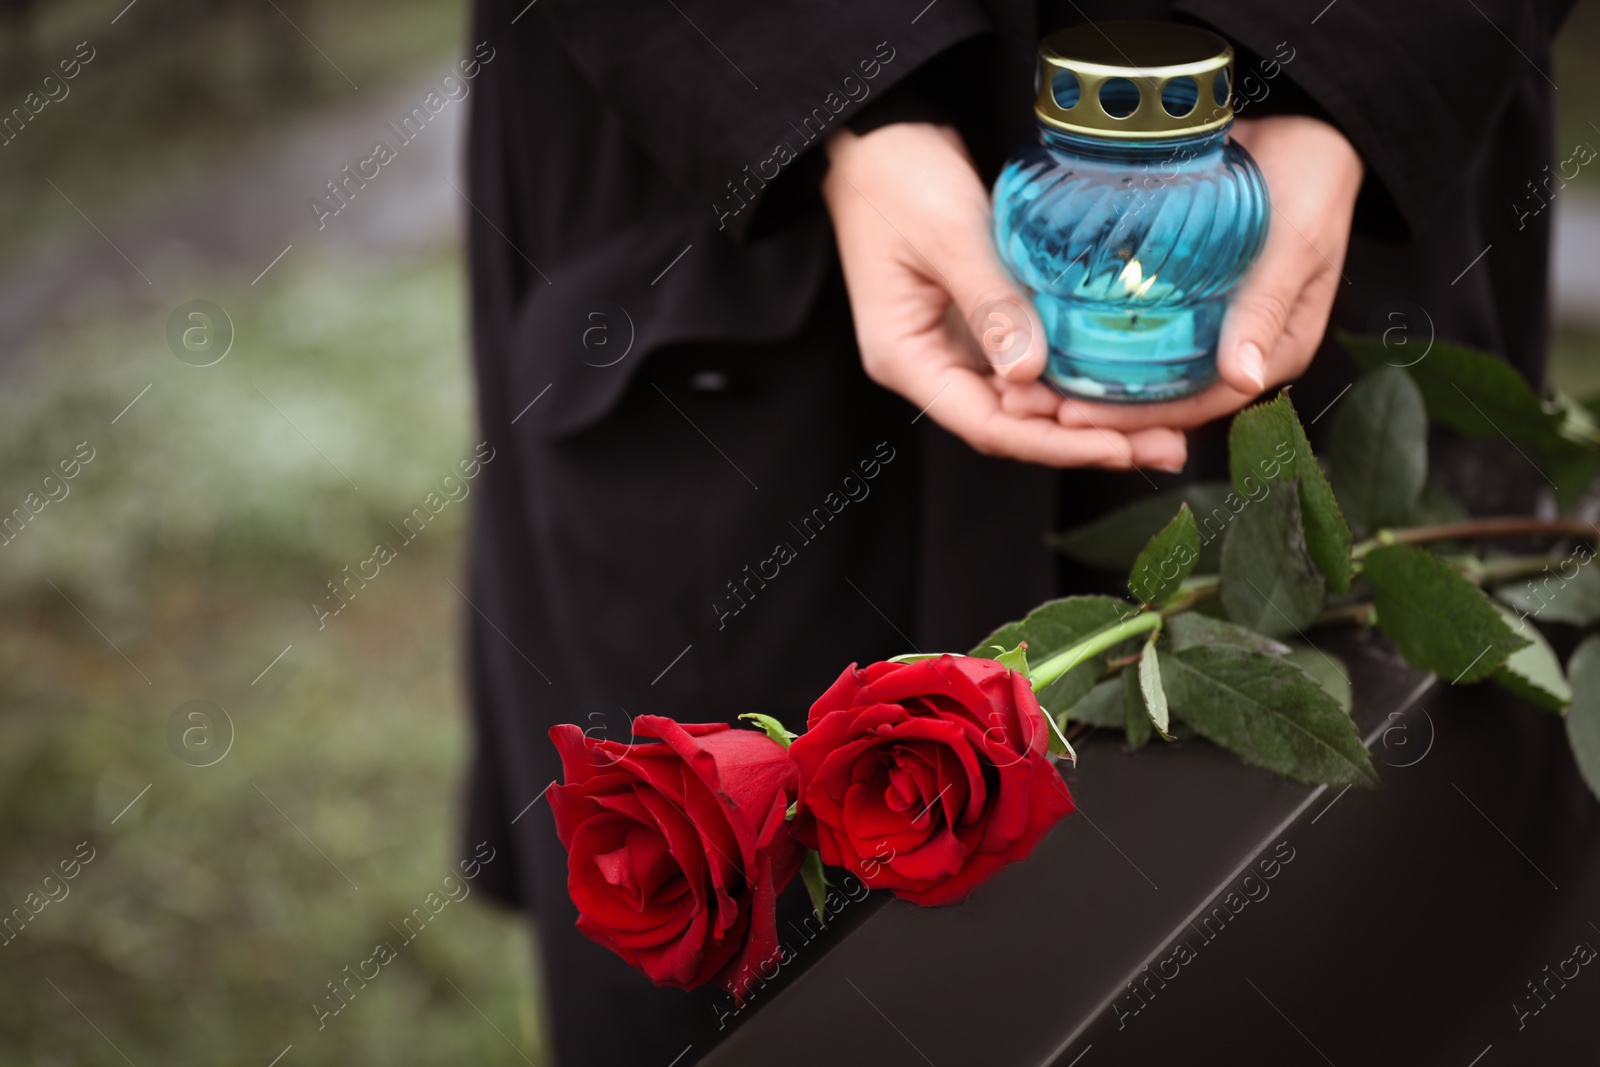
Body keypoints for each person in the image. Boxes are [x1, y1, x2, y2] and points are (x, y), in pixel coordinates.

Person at [457, 1, 1575, 1063]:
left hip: (1339, 205)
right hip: (729, 210)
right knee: (762, 990)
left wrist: (1342, 71)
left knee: (1325, 917)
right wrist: (835, 91)